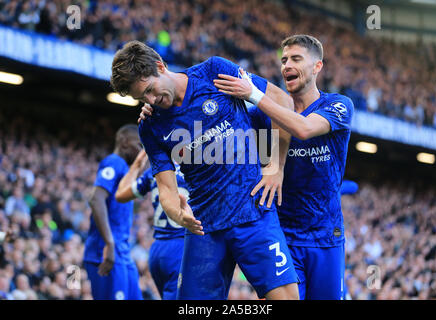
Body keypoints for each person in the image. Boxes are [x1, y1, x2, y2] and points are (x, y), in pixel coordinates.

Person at [111, 40, 299, 300]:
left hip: (254, 213)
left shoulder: (214, 72)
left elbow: (281, 102)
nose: (151, 100)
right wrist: (178, 214)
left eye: (150, 90)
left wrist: (274, 168)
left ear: (160, 66)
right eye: (142, 97)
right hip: (204, 227)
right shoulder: (150, 126)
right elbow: (166, 189)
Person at [213, 34, 354, 300]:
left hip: (326, 236)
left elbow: (303, 128)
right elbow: (216, 125)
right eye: (284, 60)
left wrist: (254, 94)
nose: (286, 65)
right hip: (282, 237)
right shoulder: (262, 116)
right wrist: (163, 106)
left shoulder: (338, 105)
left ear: (317, 67)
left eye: (296, 59)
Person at [115, 149, 189, 300]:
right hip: (181, 249)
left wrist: (138, 162)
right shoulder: (198, 171)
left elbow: (120, 194)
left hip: (157, 251)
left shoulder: (154, 171)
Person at [83, 124, 143, 300]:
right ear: (124, 142)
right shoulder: (114, 162)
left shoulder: (125, 169)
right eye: (139, 145)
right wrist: (109, 243)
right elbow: (95, 199)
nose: (141, 151)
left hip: (123, 253)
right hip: (105, 252)